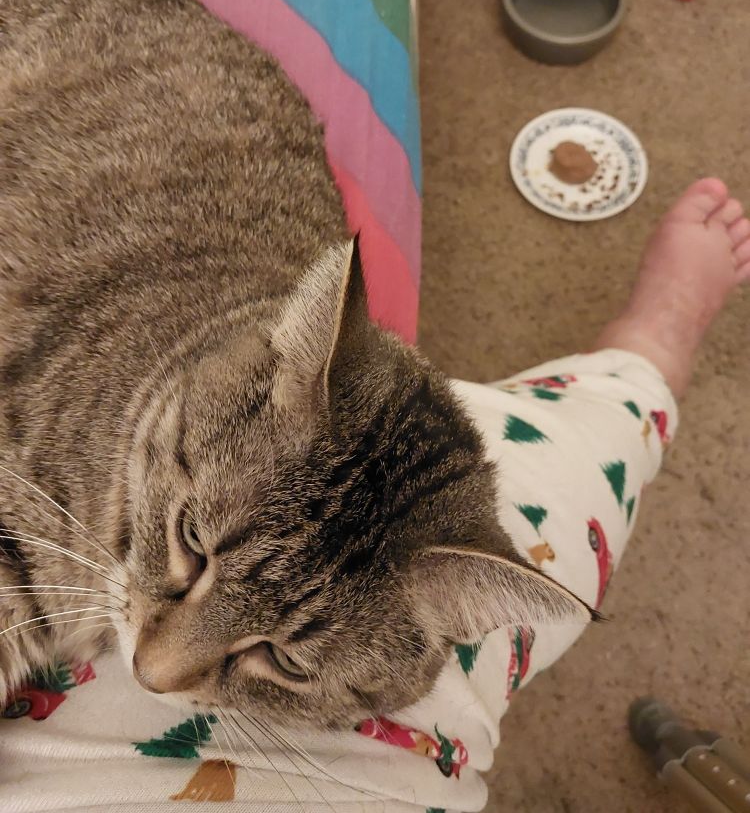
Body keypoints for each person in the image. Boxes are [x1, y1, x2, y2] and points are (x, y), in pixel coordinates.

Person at [1, 180, 748, 812]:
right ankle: (645, 361)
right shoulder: (225, 404)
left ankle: (646, 357)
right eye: (193, 543)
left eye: (283, 659)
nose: (159, 669)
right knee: (582, 465)